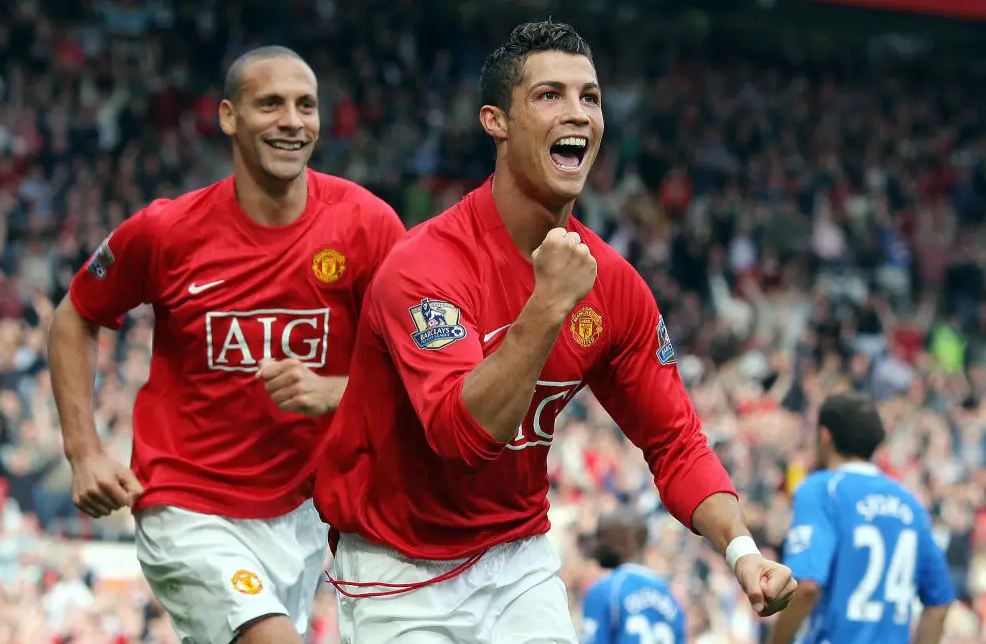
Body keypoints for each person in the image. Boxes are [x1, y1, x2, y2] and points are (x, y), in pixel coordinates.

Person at [313, 20, 796, 643]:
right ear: (496, 121)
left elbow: (675, 441)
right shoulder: (424, 267)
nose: (579, 114)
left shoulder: (614, 284)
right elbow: (465, 438)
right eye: (549, 96)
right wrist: (547, 306)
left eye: (589, 98)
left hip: (518, 561)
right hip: (397, 569)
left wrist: (742, 552)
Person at [47, 45, 405, 644]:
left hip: (303, 512)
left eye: (306, 105)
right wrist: (84, 452)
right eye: (270, 103)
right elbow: (73, 316)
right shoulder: (166, 231)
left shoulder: (366, 225)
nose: (293, 120)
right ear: (229, 116)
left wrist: (339, 391)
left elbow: (424, 366)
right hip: (187, 504)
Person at [768, 393, 956, 644]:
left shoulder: (822, 489)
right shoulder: (910, 504)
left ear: (825, 436)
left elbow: (806, 585)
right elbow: (939, 604)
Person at [580, 513, 687, 644]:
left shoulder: (605, 590)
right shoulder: (670, 596)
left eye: (602, 536)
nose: (597, 546)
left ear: (624, 538)